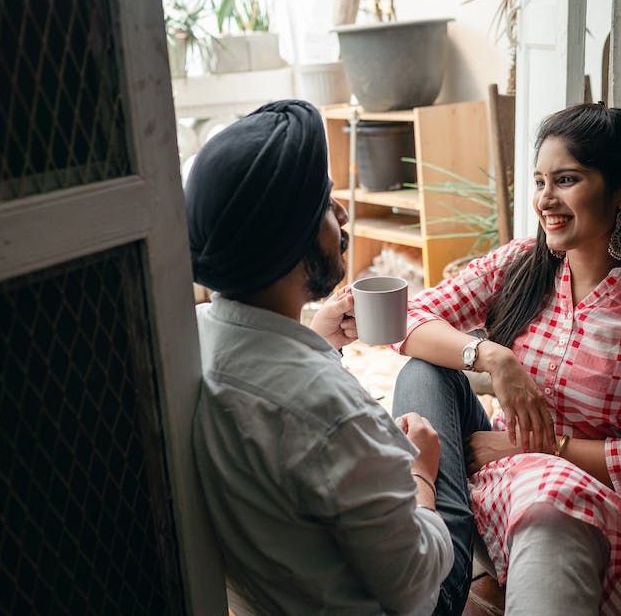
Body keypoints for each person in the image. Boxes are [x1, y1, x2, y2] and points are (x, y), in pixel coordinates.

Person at [391, 103, 621, 616]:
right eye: (540, 181)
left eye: (566, 179)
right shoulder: (523, 264)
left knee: (550, 497)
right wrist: (494, 357)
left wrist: (544, 448)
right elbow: (406, 319)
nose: (546, 199)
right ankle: (445, 572)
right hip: (501, 484)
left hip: (610, 515)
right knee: (424, 371)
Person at [186, 99, 453, 615]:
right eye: (328, 204)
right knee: (433, 381)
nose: (343, 215)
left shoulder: (193, 337)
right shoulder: (331, 411)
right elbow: (416, 592)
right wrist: (421, 471)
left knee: (431, 382)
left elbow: (271, 388)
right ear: (290, 240)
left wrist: (315, 340)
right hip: (414, 596)